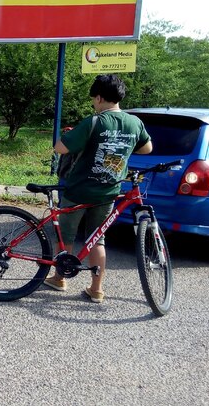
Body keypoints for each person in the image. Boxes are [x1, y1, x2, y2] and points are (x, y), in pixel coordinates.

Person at [45, 74, 153, 304]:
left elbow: (60, 148)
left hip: (78, 191)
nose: (94, 102)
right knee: (97, 239)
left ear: (100, 97)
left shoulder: (94, 122)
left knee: (66, 236)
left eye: (94, 98)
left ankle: (59, 278)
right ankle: (96, 289)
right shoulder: (134, 123)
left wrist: (75, 135)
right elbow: (147, 148)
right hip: (108, 193)